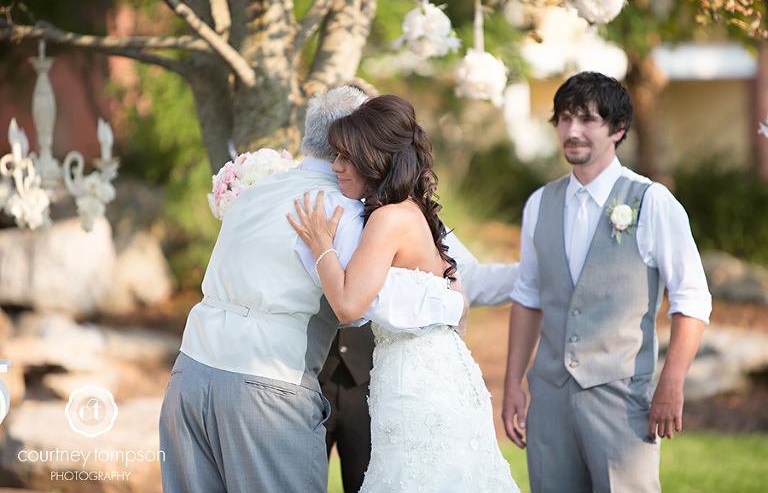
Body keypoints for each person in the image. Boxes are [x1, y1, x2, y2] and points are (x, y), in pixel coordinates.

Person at [159, 86, 469, 493]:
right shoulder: (342, 211)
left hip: (188, 377)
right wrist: (451, 302)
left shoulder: (255, 191)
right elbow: (363, 305)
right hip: (264, 388)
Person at [289, 94, 520, 492]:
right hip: (434, 370)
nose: (336, 166)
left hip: (416, 383)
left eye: (346, 157)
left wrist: (320, 244)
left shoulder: (388, 219)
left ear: (374, 159)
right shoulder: (414, 210)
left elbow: (347, 305)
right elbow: (457, 296)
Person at [501, 71, 712, 493]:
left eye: (587, 120)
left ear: (617, 129)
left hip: (621, 398)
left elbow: (692, 300)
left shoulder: (651, 201)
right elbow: (527, 297)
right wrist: (512, 384)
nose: (572, 131)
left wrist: (670, 385)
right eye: (563, 118)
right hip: (549, 395)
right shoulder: (539, 202)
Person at [320, 232, 520, 493]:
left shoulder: (412, 214)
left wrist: (537, 272)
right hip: (309, 378)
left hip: (373, 385)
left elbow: (468, 276)